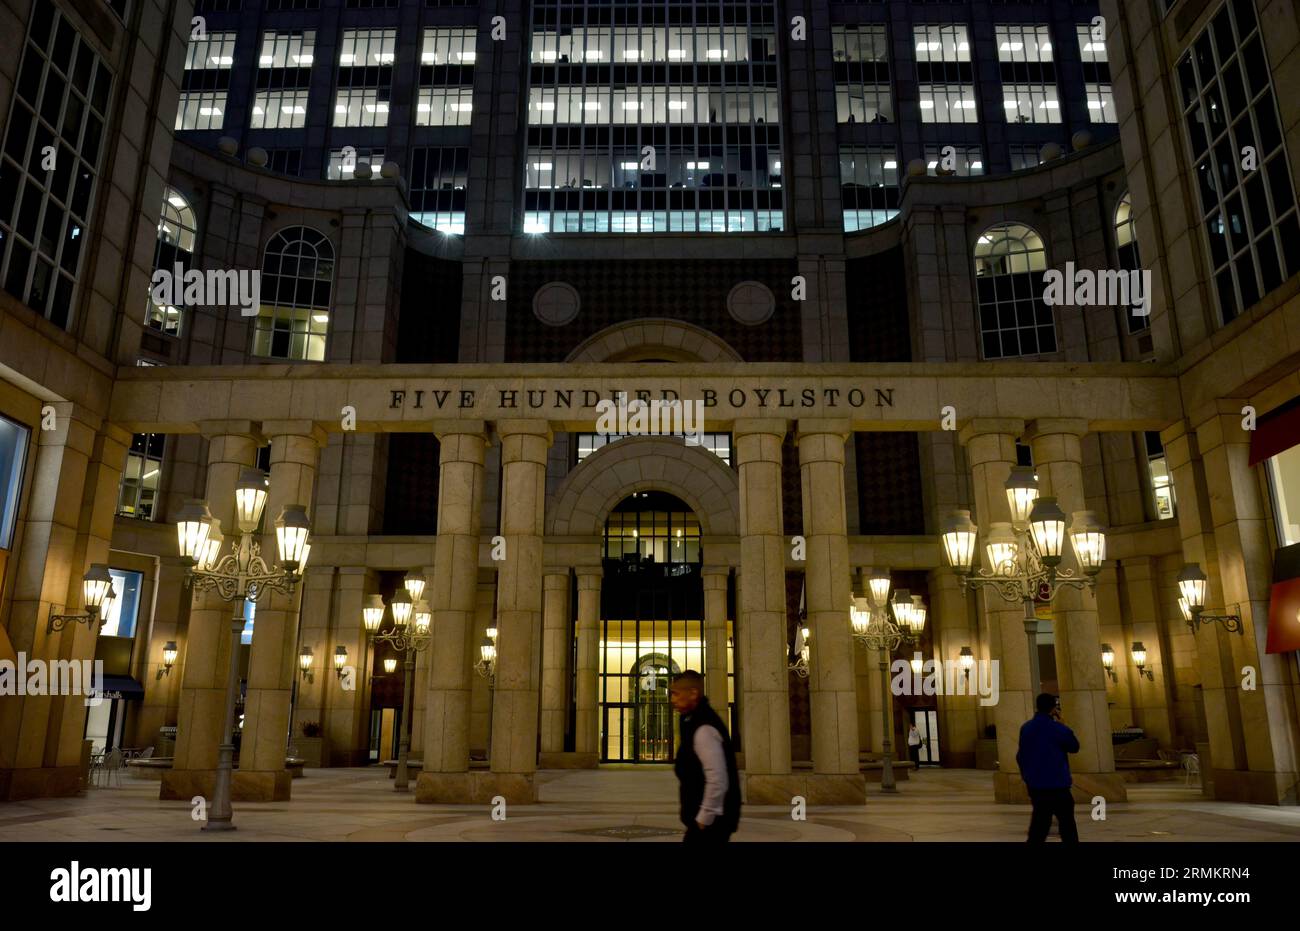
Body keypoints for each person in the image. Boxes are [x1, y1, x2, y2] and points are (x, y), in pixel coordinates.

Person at [669, 670, 740, 843]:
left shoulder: (704, 728)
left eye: (676, 694)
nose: (672, 700)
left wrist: (704, 818)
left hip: (711, 825)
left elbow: (717, 778)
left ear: (693, 693)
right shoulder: (692, 721)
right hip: (707, 821)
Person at [1016, 693, 1081, 843]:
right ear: (1054, 708)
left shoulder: (1026, 728)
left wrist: (1027, 777)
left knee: (1039, 827)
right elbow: (1074, 747)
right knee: (1067, 826)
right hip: (1058, 785)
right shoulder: (1058, 728)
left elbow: (1020, 756)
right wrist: (1064, 725)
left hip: (1037, 786)